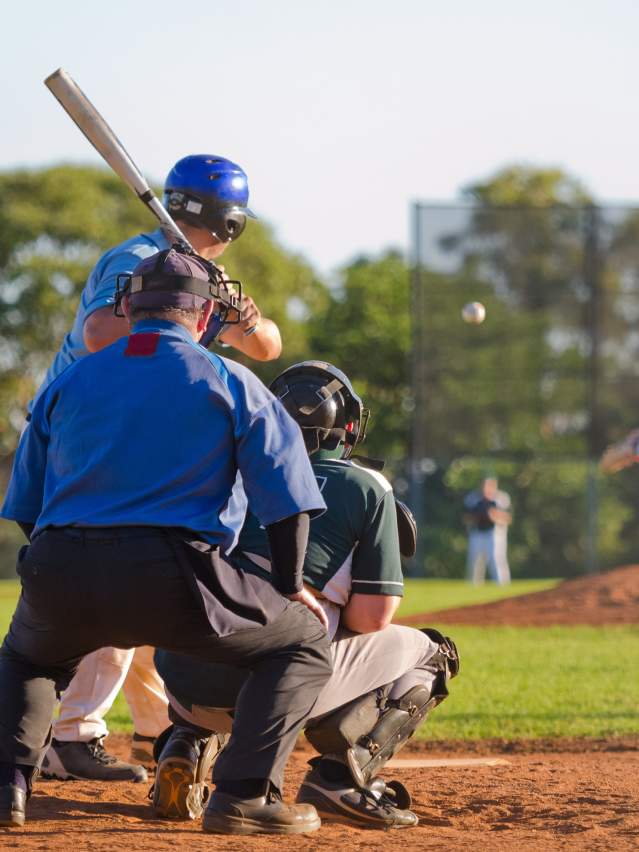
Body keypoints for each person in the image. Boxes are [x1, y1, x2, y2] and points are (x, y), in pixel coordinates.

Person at [0, 249, 332, 834]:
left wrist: (63, 574)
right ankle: (243, 798)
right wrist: (287, 587)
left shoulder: (69, 381)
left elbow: (26, 505)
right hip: (178, 574)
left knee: (28, 658)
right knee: (301, 642)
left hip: (62, 563)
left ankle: (8, 791)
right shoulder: (231, 379)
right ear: (205, 317)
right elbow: (288, 504)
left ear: (127, 306)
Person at [32, 154, 284, 783]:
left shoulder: (199, 271)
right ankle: (71, 735)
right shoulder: (139, 259)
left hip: (131, 439)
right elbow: (98, 334)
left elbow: (270, 346)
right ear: (230, 220)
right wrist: (176, 301)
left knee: (157, 580)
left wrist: (236, 313)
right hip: (94, 435)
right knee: (120, 576)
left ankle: (155, 727)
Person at [151, 361, 459, 830]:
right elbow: (371, 618)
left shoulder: (230, 472)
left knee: (223, 622)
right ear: (347, 425)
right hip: (273, 688)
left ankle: (185, 743)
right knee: (434, 652)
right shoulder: (365, 484)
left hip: (180, 679)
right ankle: (340, 777)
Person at [463, 477, 512, 585]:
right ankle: (474, 585)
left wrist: (494, 516)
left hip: (495, 533)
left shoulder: (501, 499)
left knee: (496, 559)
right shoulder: (474, 499)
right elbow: (466, 517)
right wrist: (477, 517)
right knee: (474, 560)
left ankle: (502, 584)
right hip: (478, 532)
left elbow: (508, 518)